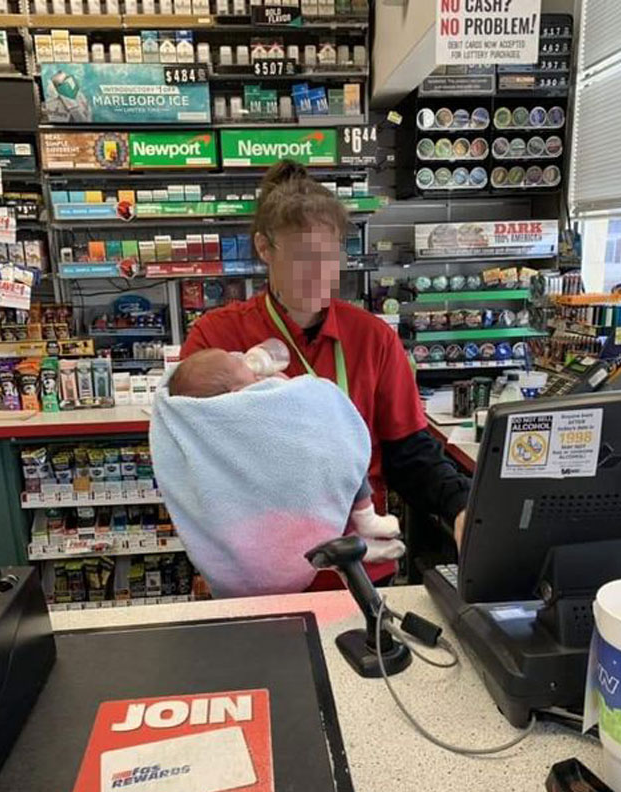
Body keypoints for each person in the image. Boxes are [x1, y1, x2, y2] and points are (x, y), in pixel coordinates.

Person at [181, 160, 470, 587]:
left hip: (357, 572)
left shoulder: (373, 339)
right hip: (258, 574)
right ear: (265, 247)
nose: (320, 273)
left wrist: (463, 507)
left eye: (331, 255)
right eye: (302, 257)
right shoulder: (217, 337)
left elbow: (410, 455)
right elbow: (195, 459)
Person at [150, 347, 404, 598]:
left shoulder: (240, 399)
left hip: (261, 522)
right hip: (277, 512)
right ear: (235, 392)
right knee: (342, 448)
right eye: (236, 362)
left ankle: (353, 545)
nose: (243, 357)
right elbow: (299, 400)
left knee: (337, 457)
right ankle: (362, 526)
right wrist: (280, 387)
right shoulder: (246, 407)